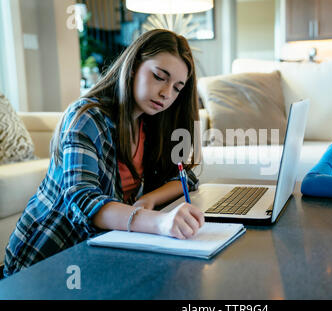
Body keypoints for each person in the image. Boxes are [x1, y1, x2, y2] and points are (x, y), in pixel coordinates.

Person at [3, 29, 205, 277]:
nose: (167, 94)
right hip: (45, 261)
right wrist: (159, 222)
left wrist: (148, 200)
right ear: (133, 67)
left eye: (177, 88)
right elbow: (83, 200)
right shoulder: (87, 117)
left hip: (101, 255)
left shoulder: (151, 123)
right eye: (159, 77)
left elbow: (186, 178)